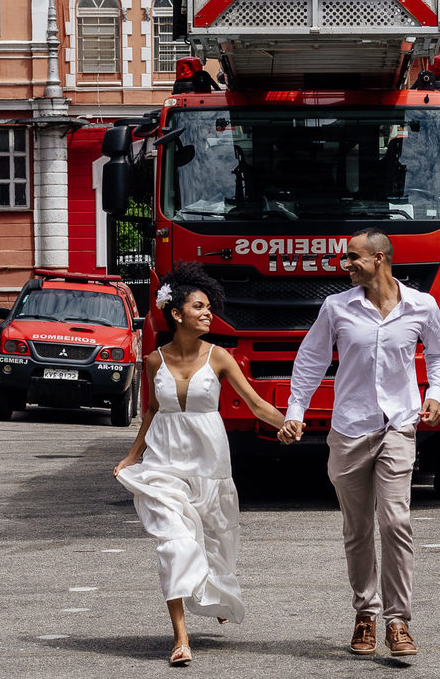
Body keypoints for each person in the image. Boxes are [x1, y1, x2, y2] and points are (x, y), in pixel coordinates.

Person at [114, 262, 297, 666]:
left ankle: (215, 592)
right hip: (163, 465)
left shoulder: (221, 358)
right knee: (176, 544)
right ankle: (180, 638)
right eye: (199, 306)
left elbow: (255, 404)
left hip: (210, 465)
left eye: (210, 307)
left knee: (217, 544)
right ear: (176, 313)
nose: (208, 313)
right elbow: (149, 412)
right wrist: (132, 457)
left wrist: (287, 424)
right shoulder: (153, 362)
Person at [279, 228, 440, 658]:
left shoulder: (421, 305)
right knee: (358, 529)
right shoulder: (336, 307)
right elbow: (311, 359)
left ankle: (397, 621)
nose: (346, 264)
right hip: (351, 428)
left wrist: (435, 394)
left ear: (379, 258)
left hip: (399, 424)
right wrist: (295, 413)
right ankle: (365, 614)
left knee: (395, 522)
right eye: (346, 258)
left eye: (353, 257)